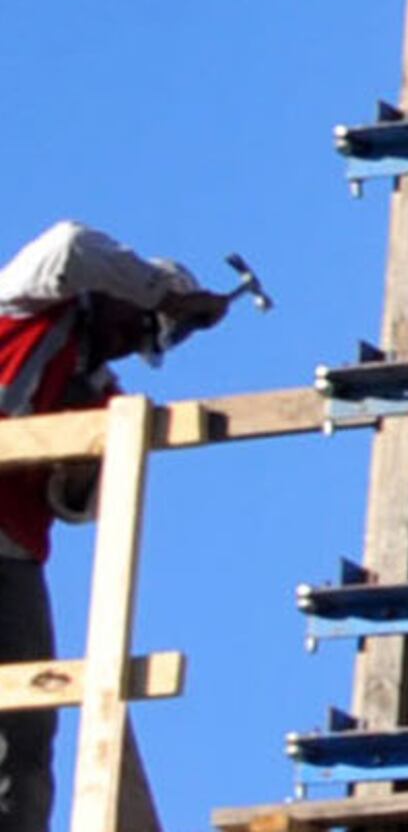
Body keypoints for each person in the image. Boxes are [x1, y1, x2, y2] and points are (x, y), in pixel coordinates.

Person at [0, 225, 235, 832]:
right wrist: (169, 295)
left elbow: (77, 505)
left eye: (147, 339)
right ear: (116, 292)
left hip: (11, 555)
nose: (133, 343)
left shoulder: (105, 400)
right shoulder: (29, 304)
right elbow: (71, 245)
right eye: (141, 321)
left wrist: (78, 466)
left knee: (28, 726)